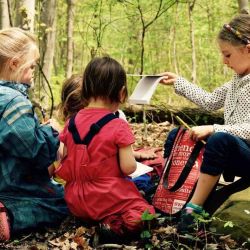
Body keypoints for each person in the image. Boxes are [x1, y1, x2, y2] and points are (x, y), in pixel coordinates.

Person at [160, 14, 250, 233]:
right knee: (178, 134)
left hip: (244, 153)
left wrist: (213, 129)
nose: (224, 61)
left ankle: (194, 209)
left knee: (219, 139)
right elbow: (209, 101)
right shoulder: (236, 83)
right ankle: (168, 193)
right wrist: (178, 82)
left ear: (248, 48)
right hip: (234, 150)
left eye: (227, 54)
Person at [55, 56, 155, 237]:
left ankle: (93, 219)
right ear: (122, 93)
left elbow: (66, 159)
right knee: (145, 213)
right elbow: (128, 167)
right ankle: (112, 226)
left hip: (75, 199)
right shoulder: (118, 124)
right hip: (106, 197)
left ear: (84, 89)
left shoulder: (71, 123)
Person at [0, 28, 68, 241]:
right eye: (31, 66)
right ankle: (10, 216)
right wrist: (51, 131)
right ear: (14, 63)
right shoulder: (13, 101)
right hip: (10, 184)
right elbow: (35, 152)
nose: (33, 71)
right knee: (64, 202)